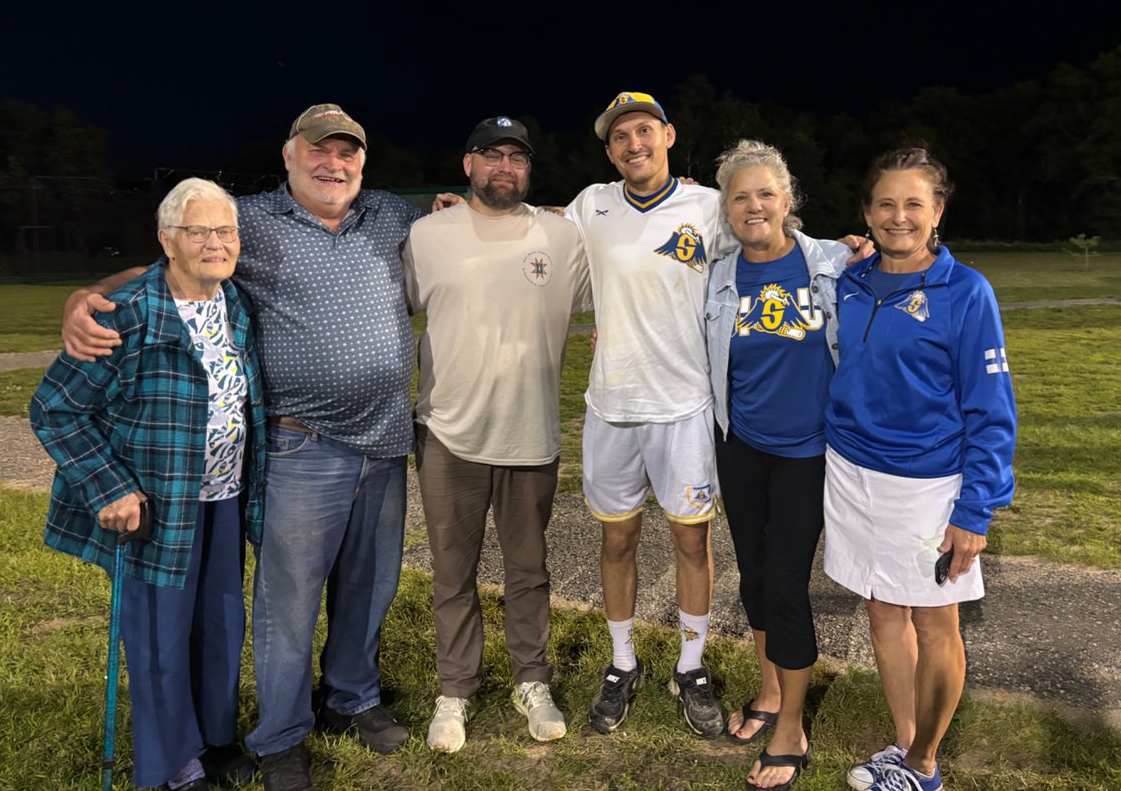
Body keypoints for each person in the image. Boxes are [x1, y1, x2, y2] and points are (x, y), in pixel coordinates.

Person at [60, 105, 461, 791]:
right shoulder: (249, 221)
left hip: (386, 438)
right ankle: (280, 735)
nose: (334, 165)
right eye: (320, 152)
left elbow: (470, 229)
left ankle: (352, 698)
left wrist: (455, 207)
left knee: (369, 587)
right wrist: (88, 293)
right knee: (289, 599)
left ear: (363, 162)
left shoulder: (391, 215)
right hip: (302, 445)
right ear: (289, 155)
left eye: (348, 154)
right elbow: (172, 263)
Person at [32, 178, 266, 791]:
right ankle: (171, 765)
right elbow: (53, 408)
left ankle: (214, 738)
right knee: (160, 636)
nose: (216, 243)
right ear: (168, 240)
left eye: (226, 231)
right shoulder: (129, 312)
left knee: (220, 622)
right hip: (155, 507)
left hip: (222, 496)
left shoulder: (234, 303)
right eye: (200, 232)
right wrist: (107, 486)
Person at [823, 149, 1017, 791]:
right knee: (883, 611)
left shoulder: (967, 292)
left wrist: (974, 510)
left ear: (937, 212)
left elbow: (992, 411)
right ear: (866, 213)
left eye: (914, 203)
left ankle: (925, 764)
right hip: (851, 471)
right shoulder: (850, 278)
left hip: (930, 484)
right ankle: (904, 747)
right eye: (885, 203)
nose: (898, 216)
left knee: (936, 621)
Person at [403, 116, 591, 753]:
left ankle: (531, 681)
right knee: (452, 576)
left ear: (528, 169)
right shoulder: (427, 234)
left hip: (531, 435)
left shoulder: (562, 236)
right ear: (467, 164)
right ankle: (455, 689)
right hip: (449, 435)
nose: (504, 168)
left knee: (528, 572)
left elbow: (632, 281)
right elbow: (386, 309)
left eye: (517, 158)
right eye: (491, 156)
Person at [563, 91, 741, 738]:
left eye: (643, 130)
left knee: (692, 541)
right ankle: (622, 662)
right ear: (609, 151)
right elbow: (538, 234)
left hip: (684, 408)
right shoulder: (593, 204)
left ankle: (690, 666)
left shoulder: (707, 208)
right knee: (617, 539)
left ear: (667, 134)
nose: (632, 144)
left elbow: (766, 246)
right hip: (612, 407)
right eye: (619, 137)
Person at [705, 140, 855, 790]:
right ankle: (768, 691)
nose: (754, 205)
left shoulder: (833, 262)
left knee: (787, 585)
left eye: (765, 193)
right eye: (740, 196)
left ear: (788, 201)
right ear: (727, 210)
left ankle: (792, 727)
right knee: (753, 575)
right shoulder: (717, 274)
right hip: (740, 445)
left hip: (808, 452)